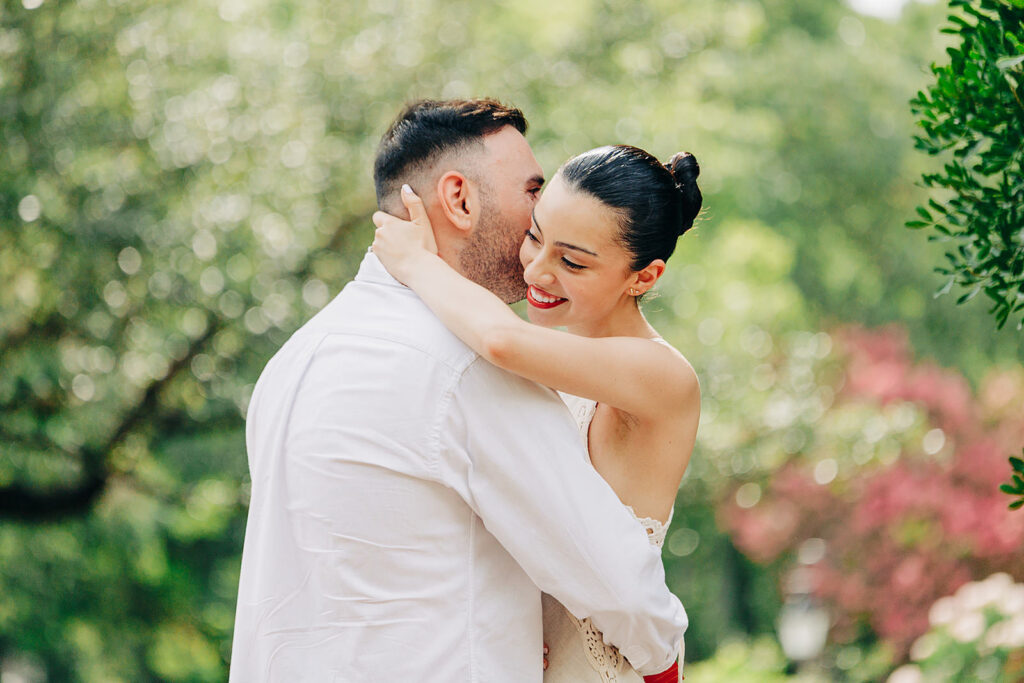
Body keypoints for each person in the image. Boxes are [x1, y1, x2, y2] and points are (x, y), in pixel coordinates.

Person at [229, 99, 687, 682]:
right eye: (531, 194)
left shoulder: (293, 361)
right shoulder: (463, 367)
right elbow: (619, 586)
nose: (537, 223)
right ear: (460, 199)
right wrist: (662, 664)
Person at [371, 143, 703, 682]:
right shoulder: (553, 366)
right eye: (534, 236)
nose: (538, 271)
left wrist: (416, 263)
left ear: (644, 277)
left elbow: (500, 339)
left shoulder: (663, 377)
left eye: (572, 261)